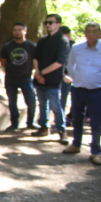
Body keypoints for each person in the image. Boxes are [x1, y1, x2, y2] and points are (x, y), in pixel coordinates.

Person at [63, 22, 101, 165]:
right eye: (89, 31)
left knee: (96, 121)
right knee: (76, 118)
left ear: (100, 34)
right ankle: (76, 145)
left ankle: (95, 151)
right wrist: (77, 78)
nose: (92, 34)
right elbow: (70, 65)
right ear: (85, 33)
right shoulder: (77, 48)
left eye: (95, 31)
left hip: (98, 90)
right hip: (79, 88)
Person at [32, 13, 69, 144]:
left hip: (53, 79)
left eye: (51, 22)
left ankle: (61, 130)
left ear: (58, 24)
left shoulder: (63, 41)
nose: (48, 25)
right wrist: (37, 73)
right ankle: (43, 126)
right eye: (46, 22)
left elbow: (59, 62)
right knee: (42, 104)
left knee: (56, 106)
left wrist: (41, 73)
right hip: (39, 79)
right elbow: (35, 57)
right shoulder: (43, 40)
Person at [0, 22, 37, 131]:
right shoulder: (7, 46)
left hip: (26, 78)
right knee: (12, 103)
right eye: (15, 30)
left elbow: (35, 61)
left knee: (31, 101)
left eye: (20, 30)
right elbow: (3, 61)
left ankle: (30, 122)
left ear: (25, 31)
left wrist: (35, 71)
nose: (17, 32)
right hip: (11, 79)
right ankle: (14, 124)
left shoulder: (31, 46)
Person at [60, 26, 75, 120]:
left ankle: (71, 115)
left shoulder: (74, 46)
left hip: (73, 75)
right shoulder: (57, 45)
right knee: (62, 97)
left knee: (75, 98)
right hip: (61, 75)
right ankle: (61, 118)